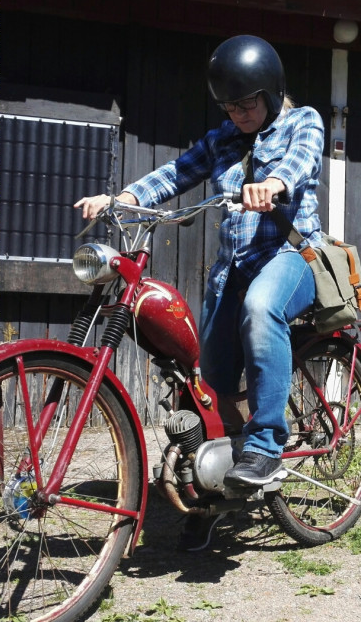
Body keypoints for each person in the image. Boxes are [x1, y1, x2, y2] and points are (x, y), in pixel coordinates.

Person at [75, 35, 323, 548]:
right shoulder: (221, 140)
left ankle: (266, 447)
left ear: (272, 92)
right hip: (232, 268)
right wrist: (122, 197)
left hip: (290, 257)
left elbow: (300, 163)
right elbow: (174, 174)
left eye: (247, 102)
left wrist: (272, 185)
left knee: (260, 308)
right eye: (230, 105)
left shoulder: (304, 122)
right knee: (205, 385)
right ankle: (216, 493)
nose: (239, 113)